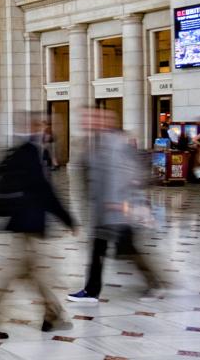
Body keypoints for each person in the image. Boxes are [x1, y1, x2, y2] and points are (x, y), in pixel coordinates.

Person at [0, 116, 74, 340]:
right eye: (44, 125)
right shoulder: (30, 153)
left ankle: (52, 315)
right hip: (27, 223)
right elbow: (44, 191)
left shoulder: (25, 152)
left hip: (24, 223)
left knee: (36, 272)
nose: (48, 129)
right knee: (14, 274)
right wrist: (67, 219)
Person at [67, 109, 162, 304]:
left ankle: (155, 283)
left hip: (118, 211)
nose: (87, 123)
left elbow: (127, 175)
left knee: (128, 250)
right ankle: (91, 291)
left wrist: (118, 204)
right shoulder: (95, 144)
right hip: (104, 212)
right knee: (98, 250)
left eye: (91, 119)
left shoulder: (117, 144)